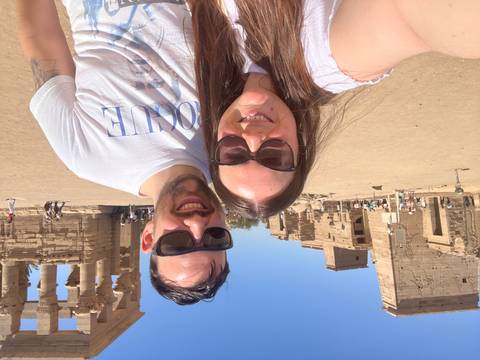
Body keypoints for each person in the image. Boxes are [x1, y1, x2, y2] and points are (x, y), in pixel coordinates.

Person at [17, 0, 231, 305]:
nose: (197, 224)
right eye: (214, 238)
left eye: (177, 242)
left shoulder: (88, 158)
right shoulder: (234, 144)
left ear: (148, 237)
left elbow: (41, 38)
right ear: (226, 229)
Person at [188, 0, 480, 218]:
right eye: (274, 155)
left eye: (233, 153)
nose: (251, 139)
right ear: (300, 147)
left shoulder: (216, 61)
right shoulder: (325, 62)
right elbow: (409, 17)